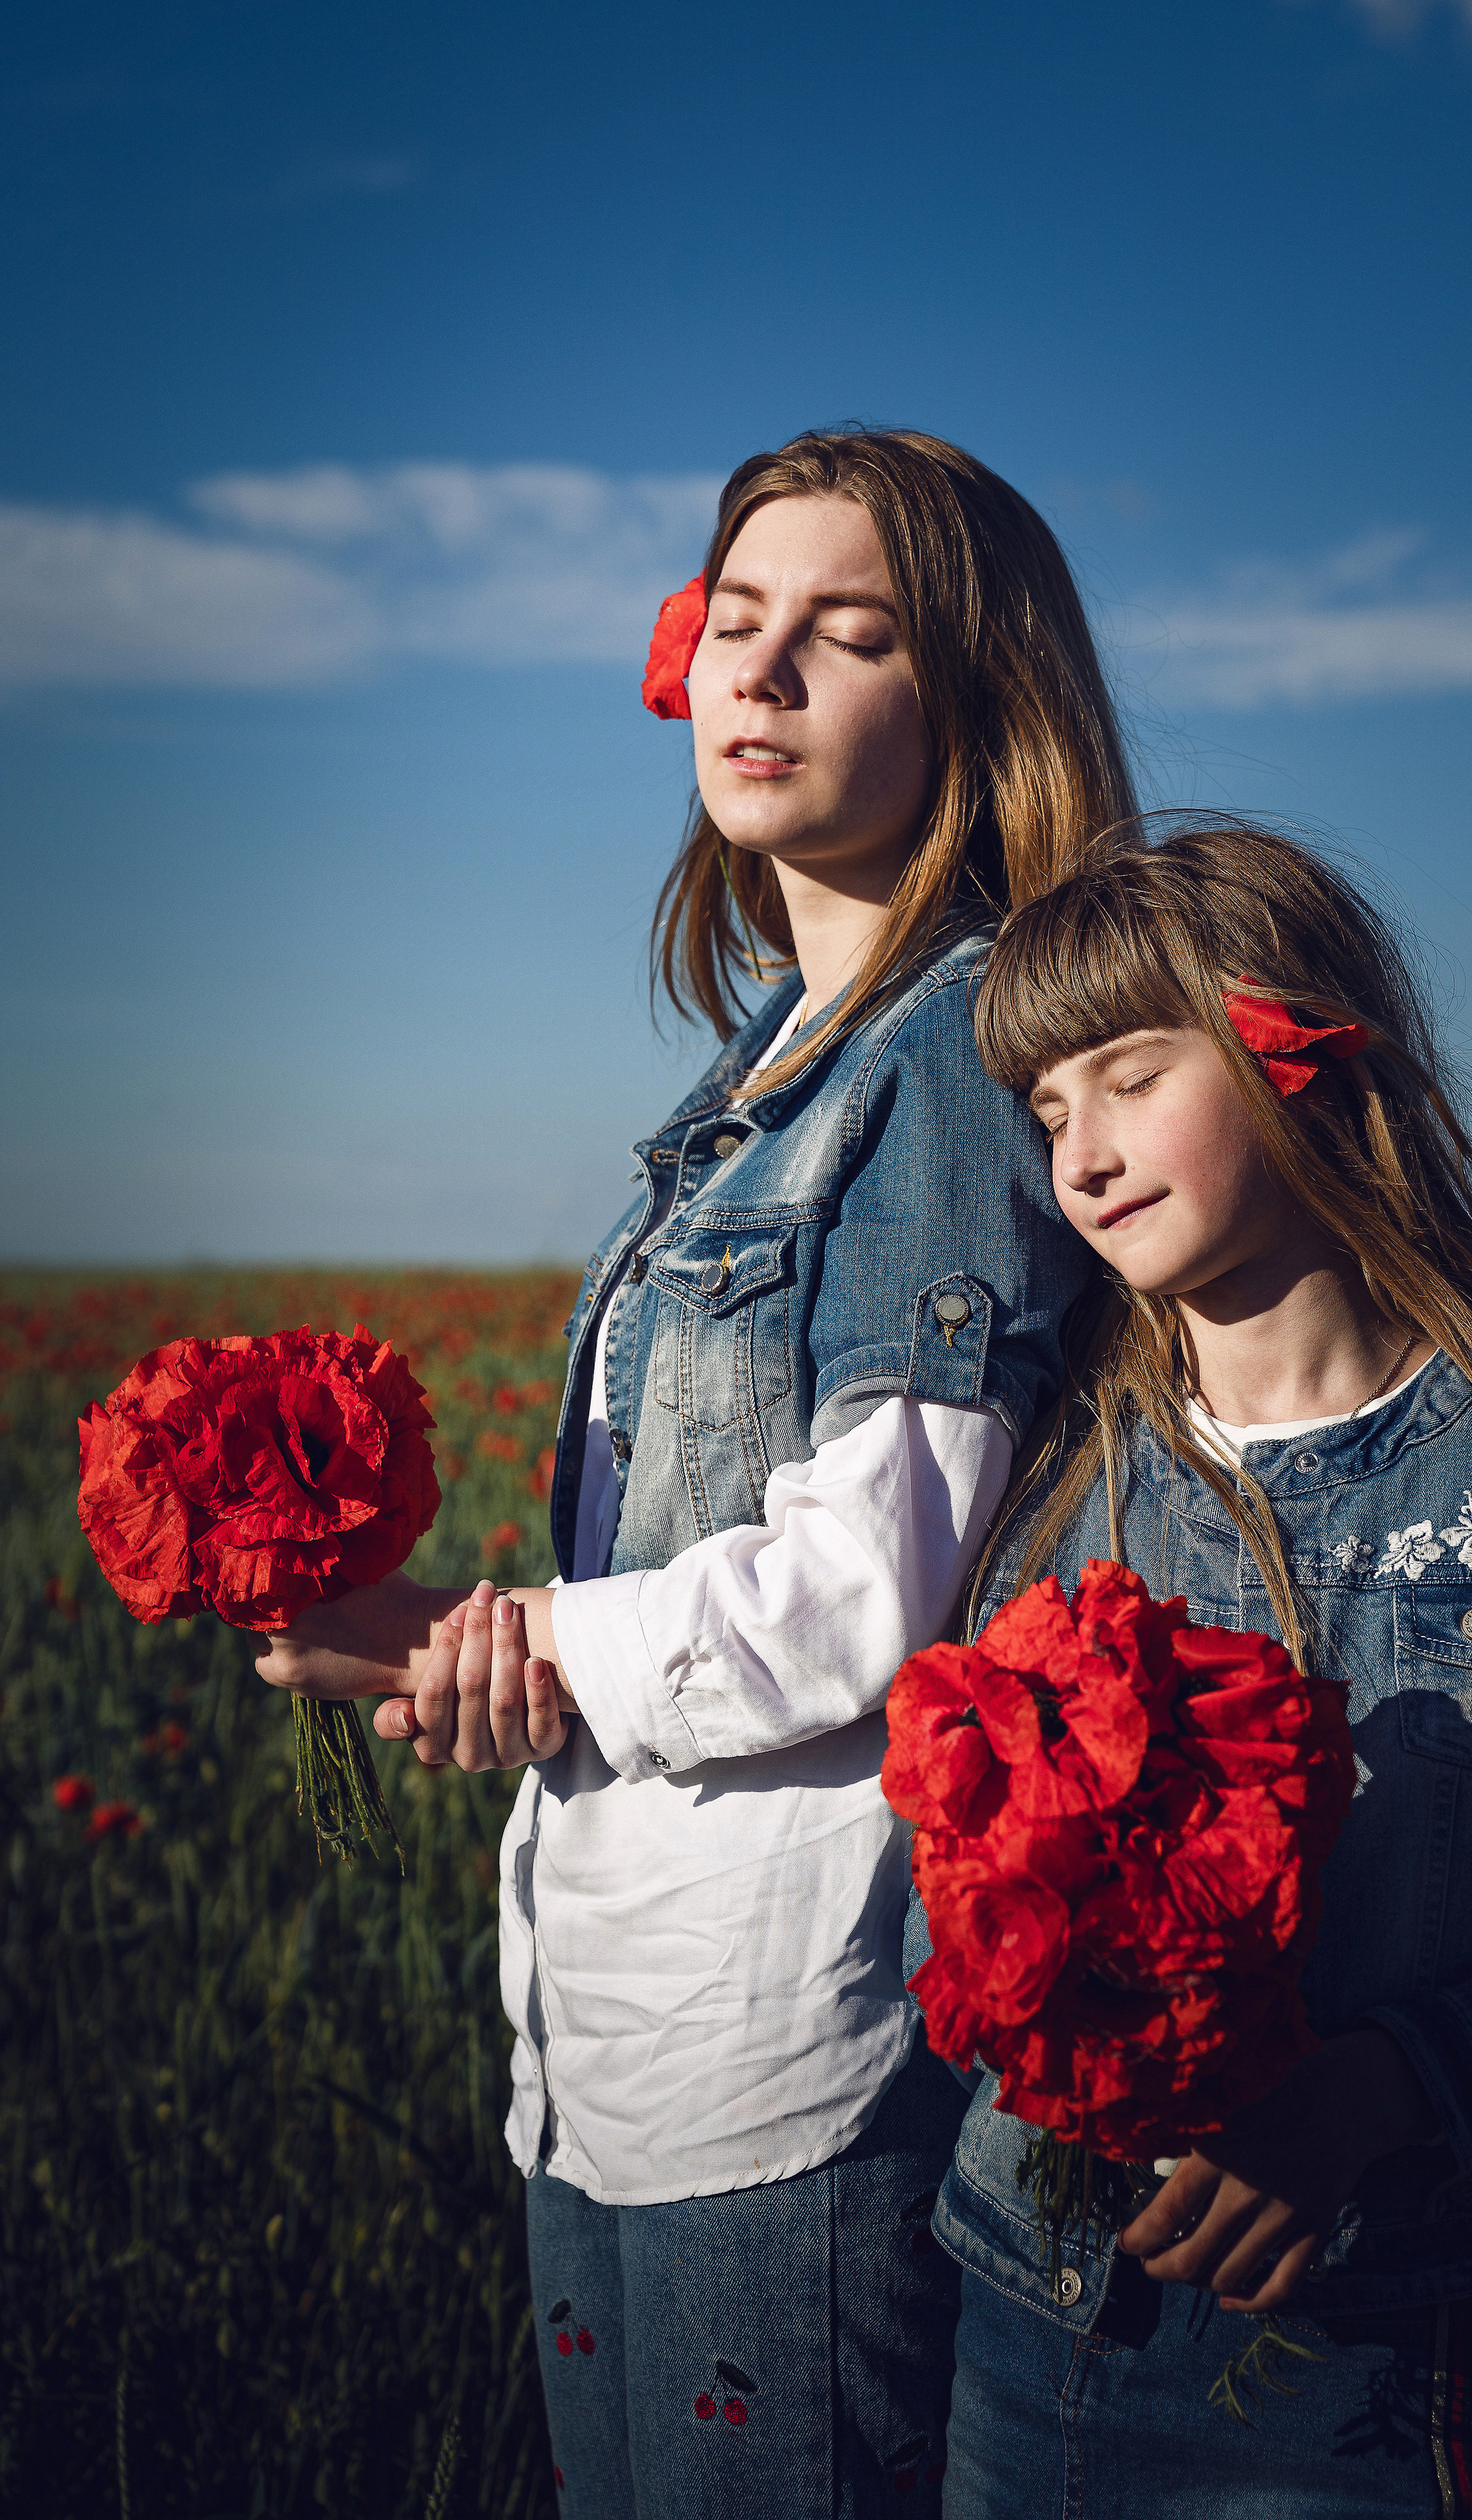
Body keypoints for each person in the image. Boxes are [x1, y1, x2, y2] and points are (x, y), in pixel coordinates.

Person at [256, 427, 1138, 2516]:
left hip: (790, 2036)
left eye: (848, 634)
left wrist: (491, 1638)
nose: (762, 672)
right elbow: (700, 1551)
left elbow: (856, 1595)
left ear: (976, 698)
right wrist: (508, 1674)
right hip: (618, 2019)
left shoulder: (947, 1060)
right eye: (735, 621)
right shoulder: (762, 1072)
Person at [926, 822, 1472, 2519]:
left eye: (1132, 1078)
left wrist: (1391, 2089)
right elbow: (943, 1886)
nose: (1082, 1154)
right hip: (1024, 2319)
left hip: (1360, 2362)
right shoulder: (1063, 1477)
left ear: (1306, 1049)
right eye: (1046, 1110)